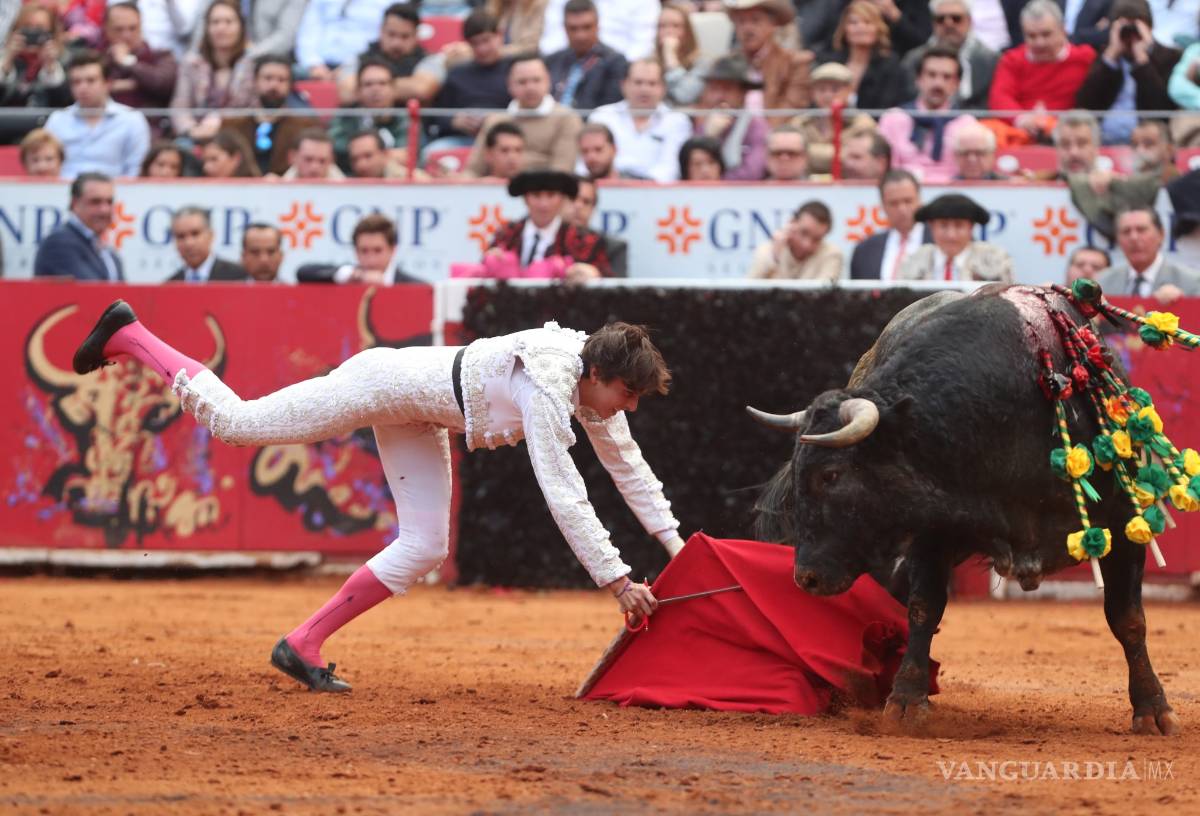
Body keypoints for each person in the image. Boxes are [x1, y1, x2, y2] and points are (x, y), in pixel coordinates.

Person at [71, 301, 682, 692]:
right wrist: (618, 581)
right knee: (240, 424)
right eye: (628, 393)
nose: (630, 407)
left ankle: (302, 644)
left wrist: (678, 549)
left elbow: (629, 469)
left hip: (422, 412)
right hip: (381, 383)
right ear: (600, 374)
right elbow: (565, 491)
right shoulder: (551, 382)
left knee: (423, 546)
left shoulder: (589, 383)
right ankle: (130, 334)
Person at [987, 0, 1096, 144]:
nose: (1040, 43)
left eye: (1046, 34)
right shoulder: (1012, 60)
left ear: (1063, 30)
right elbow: (999, 97)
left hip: (1069, 136)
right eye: (1032, 36)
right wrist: (1022, 119)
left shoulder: (1085, 58)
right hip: (1021, 136)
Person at [1075, 0, 1182, 146]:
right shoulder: (1105, 56)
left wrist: (1142, 61)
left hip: (1150, 143)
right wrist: (1111, 57)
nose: (1130, 36)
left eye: (1136, 28)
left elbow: (1162, 110)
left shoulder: (1170, 57)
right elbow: (1086, 104)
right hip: (1103, 141)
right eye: (1124, 28)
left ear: (1149, 28)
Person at [465, 55, 583, 176]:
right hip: (495, 190)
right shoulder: (495, 121)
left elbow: (562, 172)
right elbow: (473, 170)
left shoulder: (566, 118)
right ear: (509, 85)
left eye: (536, 80)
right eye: (522, 82)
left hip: (544, 191)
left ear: (548, 81)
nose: (530, 88)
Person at [44, 50, 151, 179]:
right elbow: (45, 166)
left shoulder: (132, 119)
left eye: (91, 81)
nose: (83, 87)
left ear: (108, 83)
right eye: (76, 82)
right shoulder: (57, 120)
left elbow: (136, 170)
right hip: (63, 193)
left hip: (116, 195)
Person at [488, 168, 613, 277]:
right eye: (536, 195)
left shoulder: (583, 240)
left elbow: (608, 283)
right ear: (526, 199)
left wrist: (594, 274)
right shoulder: (506, 234)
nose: (544, 204)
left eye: (551, 195)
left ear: (562, 199)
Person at [878, 47, 977, 183]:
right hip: (903, 194)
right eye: (931, 75)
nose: (938, 83)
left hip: (953, 195)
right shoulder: (893, 119)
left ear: (956, 84)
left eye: (946, 77)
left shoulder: (967, 124)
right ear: (918, 79)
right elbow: (884, 168)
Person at [586, 59, 692, 182]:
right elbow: (586, 164)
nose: (644, 89)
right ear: (624, 85)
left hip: (657, 193)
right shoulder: (602, 116)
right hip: (607, 189)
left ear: (663, 88)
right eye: (638, 82)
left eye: (652, 83)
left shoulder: (677, 121)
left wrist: (640, 186)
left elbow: (670, 167)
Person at [170, 0, 256, 143]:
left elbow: (255, 108)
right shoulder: (191, 63)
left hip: (238, 138)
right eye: (215, 22)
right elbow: (180, 105)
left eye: (228, 22)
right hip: (195, 137)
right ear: (207, 27)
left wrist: (222, 121)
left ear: (241, 26)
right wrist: (192, 130)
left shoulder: (253, 63)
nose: (221, 28)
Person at [425, 10, 511, 151]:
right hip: (463, 139)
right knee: (433, 152)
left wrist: (497, 120)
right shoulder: (457, 74)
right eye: (475, 43)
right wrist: (454, 121)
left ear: (500, 35)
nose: (482, 49)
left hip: (506, 141)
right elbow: (436, 116)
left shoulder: (516, 70)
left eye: (486, 40)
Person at [222, 55, 321, 177]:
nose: (274, 85)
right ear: (255, 81)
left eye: (281, 80)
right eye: (268, 78)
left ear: (290, 85)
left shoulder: (306, 126)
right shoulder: (232, 125)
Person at [338, 2, 443, 104]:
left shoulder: (429, 60)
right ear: (381, 31)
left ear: (416, 35)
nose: (396, 43)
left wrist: (368, 86)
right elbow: (347, 92)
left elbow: (421, 89)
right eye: (391, 34)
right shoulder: (360, 58)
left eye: (405, 36)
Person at [901, 0, 999, 110]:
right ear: (933, 23)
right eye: (940, 19)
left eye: (956, 18)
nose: (948, 24)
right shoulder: (913, 59)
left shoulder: (990, 60)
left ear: (970, 21)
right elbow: (908, 97)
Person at [897, 192, 1012, 282]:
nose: (951, 235)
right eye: (943, 226)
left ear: (971, 227)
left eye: (959, 226)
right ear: (931, 226)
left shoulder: (994, 260)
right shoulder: (913, 260)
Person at [101, 2, 177, 137]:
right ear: (106, 29)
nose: (126, 35)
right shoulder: (98, 58)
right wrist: (114, 86)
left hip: (151, 131)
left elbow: (162, 83)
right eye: (119, 29)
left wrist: (127, 61)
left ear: (141, 26)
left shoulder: (160, 56)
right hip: (105, 131)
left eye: (133, 28)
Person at [817, 1, 911, 111]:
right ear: (844, 29)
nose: (860, 27)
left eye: (867, 22)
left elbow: (888, 106)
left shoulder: (890, 65)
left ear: (878, 29)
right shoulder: (830, 63)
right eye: (853, 22)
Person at [724, 0, 811, 117]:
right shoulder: (726, 65)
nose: (747, 29)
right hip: (734, 133)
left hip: (777, 133)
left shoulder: (794, 63)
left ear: (773, 25)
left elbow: (792, 107)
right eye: (741, 21)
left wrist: (762, 132)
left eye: (755, 20)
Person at [1095, 207, 1200, 303]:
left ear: (1161, 234)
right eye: (1126, 231)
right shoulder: (1103, 282)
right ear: (1117, 239)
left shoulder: (1191, 282)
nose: (1134, 238)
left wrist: (1182, 305)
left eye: (1141, 230)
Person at [0, 3, 71, 142]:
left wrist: (50, 66)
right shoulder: (4, 58)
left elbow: (65, 103)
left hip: (49, 133)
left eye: (39, 29)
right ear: (16, 30)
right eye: (27, 27)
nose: (32, 34)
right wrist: (7, 60)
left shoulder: (66, 59)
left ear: (52, 33)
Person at [33, 173, 123, 281]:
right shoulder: (59, 243)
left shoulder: (108, 252)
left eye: (109, 202)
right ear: (75, 203)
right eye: (95, 202)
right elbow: (92, 293)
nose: (104, 210)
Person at [792, 62, 876, 177]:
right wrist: (841, 154)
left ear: (849, 91)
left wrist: (809, 153)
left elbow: (864, 158)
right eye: (821, 89)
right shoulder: (801, 122)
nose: (828, 95)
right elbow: (792, 155)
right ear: (812, 92)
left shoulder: (863, 123)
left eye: (835, 89)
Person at [329, 58, 415, 170]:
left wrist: (363, 154)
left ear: (394, 89)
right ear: (357, 91)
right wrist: (381, 156)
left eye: (382, 83)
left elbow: (408, 154)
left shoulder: (405, 118)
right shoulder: (345, 116)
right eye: (368, 84)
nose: (376, 89)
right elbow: (335, 148)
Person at [692, 54, 768, 180]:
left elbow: (752, 174)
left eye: (727, 89)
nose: (720, 96)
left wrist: (717, 182)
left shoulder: (757, 128)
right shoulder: (702, 127)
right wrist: (708, 138)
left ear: (743, 94)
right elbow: (690, 169)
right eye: (714, 89)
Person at [545, 0, 628, 110]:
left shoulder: (615, 62)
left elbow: (609, 109)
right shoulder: (552, 61)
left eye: (587, 27)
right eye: (573, 28)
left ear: (598, 25)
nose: (580, 36)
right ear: (565, 28)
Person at [850, 168, 931, 280]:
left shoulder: (940, 242)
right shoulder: (865, 250)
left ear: (919, 200)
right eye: (894, 203)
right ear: (883, 205)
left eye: (908, 201)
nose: (902, 209)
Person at [297, 214, 418, 284]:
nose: (371, 260)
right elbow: (303, 272)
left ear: (393, 250)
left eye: (378, 250)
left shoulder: (415, 287)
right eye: (364, 251)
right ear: (355, 251)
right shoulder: (349, 278)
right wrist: (355, 276)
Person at [295, 0, 393, 81]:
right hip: (318, 66)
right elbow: (308, 30)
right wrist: (314, 64)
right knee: (286, 75)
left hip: (363, 65)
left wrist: (350, 67)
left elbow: (389, 36)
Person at [748, 200, 844, 281]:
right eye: (804, 233)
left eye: (817, 239)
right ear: (792, 222)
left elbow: (824, 296)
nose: (807, 244)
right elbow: (749, 291)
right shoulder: (768, 250)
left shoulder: (832, 255)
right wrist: (774, 258)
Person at [167, 206, 249, 283]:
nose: (189, 243)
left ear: (211, 235)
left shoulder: (238, 277)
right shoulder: (170, 285)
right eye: (181, 236)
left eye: (195, 234)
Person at [567, 176, 628, 276]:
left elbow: (620, 287)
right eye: (573, 198)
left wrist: (597, 275)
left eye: (586, 201)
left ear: (593, 208)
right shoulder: (546, 241)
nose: (578, 206)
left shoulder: (613, 248)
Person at [656, 1, 708, 106]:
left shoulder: (702, 63)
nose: (669, 31)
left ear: (688, 31)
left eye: (676, 26)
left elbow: (684, 96)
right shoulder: (649, 62)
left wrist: (670, 57)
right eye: (662, 26)